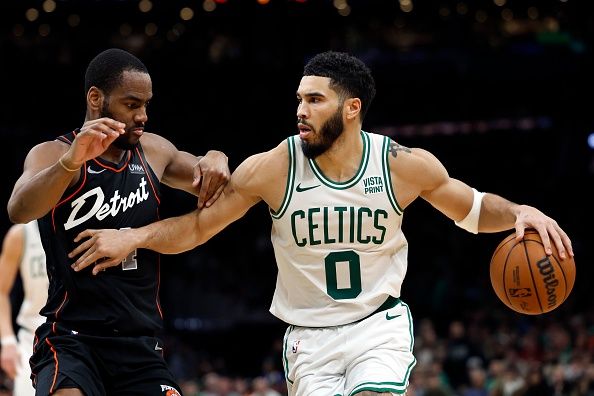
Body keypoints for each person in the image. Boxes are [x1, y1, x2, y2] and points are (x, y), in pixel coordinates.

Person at [67, 51, 573, 396]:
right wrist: (132, 235)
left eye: (314, 100)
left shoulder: (401, 164)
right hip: (309, 338)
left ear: (351, 109)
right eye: (298, 99)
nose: (300, 111)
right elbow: (196, 229)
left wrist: (520, 212)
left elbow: (473, 208)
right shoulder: (273, 168)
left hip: (379, 325)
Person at [7, 48, 231, 396]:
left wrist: (216, 155)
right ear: (96, 98)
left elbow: (215, 179)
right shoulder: (53, 154)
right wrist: (70, 162)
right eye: (131, 104)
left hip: (139, 344)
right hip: (71, 340)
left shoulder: (154, 151)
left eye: (146, 104)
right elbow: (18, 209)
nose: (142, 115)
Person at [0, 221, 48, 396]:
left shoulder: (80, 221)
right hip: (32, 339)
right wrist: (7, 342)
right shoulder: (21, 233)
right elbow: (1, 291)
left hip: (76, 337)